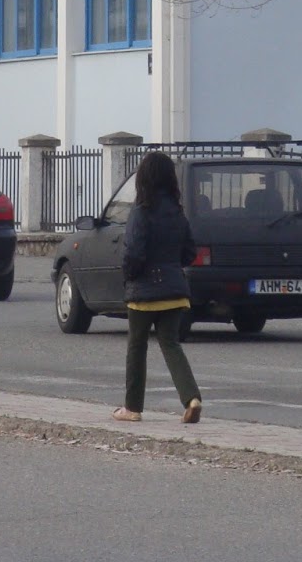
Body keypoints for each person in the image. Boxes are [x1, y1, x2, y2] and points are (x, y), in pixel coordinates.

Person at [113, 150, 203, 424]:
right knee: (171, 344)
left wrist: (129, 277)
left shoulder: (141, 212)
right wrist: (171, 265)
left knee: (137, 346)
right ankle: (192, 398)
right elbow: (189, 251)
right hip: (175, 291)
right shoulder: (177, 213)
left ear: (144, 179)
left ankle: (132, 408)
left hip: (144, 292)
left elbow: (133, 253)